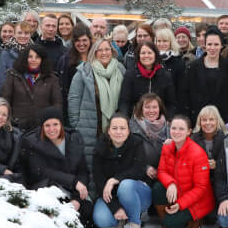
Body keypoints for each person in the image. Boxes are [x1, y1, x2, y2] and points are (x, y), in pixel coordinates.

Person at [23, 107, 94, 228]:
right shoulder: (33, 143)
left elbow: (82, 171)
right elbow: (41, 171)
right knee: (55, 210)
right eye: (47, 125)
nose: (51, 129)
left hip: (73, 190)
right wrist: (74, 181)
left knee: (87, 211)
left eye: (55, 124)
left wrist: (76, 198)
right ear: (42, 127)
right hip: (48, 187)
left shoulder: (73, 140)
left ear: (61, 125)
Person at [151, 114, 214, 228]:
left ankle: (194, 221)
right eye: (174, 128)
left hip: (196, 200)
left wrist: (180, 204)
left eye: (181, 129)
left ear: (189, 132)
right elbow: (161, 171)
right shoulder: (167, 147)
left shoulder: (197, 153)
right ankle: (167, 226)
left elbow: (201, 188)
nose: (176, 132)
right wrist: (171, 183)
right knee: (158, 188)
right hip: (178, 190)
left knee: (173, 222)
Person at [67, 37, 124, 172]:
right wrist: (76, 124)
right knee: (91, 166)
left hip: (115, 129)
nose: (104, 53)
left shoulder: (121, 71)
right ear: (94, 52)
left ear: (112, 51)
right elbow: (73, 99)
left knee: (114, 165)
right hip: (89, 128)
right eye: (100, 50)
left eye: (107, 49)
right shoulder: (83, 72)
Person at [92, 114, 151, 228]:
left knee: (125, 185)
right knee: (101, 219)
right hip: (112, 195)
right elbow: (99, 182)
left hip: (137, 193)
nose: (118, 132)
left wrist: (114, 179)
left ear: (128, 130)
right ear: (109, 131)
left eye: (122, 128)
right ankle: (121, 219)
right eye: (115, 128)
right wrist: (116, 207)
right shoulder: (100, 148)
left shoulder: (136, 142)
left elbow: (139, 170)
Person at [184, 28, 228, 124]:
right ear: (205, 45)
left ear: (222, 45)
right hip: (198, 120)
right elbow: (186, 95)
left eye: (216, 44)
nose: (212, 48)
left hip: (223, 121)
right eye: (209, 44)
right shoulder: (192, 67)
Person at [1, 43, 61, 131]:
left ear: (42, 59)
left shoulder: (51, 78)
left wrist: (53, 124)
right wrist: (9, 121)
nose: (33, 60)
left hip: (42, 127)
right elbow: (5, 99)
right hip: (17, 126)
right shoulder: (13, 75)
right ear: (25, 58)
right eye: (30, 57)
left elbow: (57, 104)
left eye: (37, 57)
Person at [118, 41, 178, 116]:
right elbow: (124, 101)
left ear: (155, 55)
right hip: (136, 119)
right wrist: (125, 119)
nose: (146, 56)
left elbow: (171, 103)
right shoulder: (130, 75)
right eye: (143, 53)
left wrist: (168, 119)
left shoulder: (165, 76)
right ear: (138, 56)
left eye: (149, 53)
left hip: (160, 120)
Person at [130, 93, 170, 170]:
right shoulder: (132, 128)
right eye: (147, 107)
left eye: (154, 107)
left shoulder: (170, 127)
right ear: (141, 109)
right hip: (141, 174)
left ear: (160, 108)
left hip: (166, 174)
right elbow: (129, 157)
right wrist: (145, 168)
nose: (151, 111)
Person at [58, 24, 93, 107]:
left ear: (90, 40)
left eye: (84, 40)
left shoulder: (96, 58)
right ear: (73, 42)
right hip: (73, 105)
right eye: (78, 40)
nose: (81, 44)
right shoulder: (65, 60)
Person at [0, 21, 34, 91]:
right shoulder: (6, 53)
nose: (23, 36)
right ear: (14, 34)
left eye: (26, 33)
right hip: (12, 96)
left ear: (30, 35)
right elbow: (1, 80)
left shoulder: (35, 52)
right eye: (19, 33)